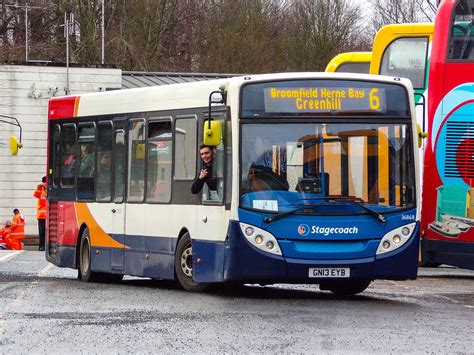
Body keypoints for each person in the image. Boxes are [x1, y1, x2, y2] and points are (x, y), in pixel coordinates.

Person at [33, 176, 47, 251]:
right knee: (41, 232)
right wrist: (39, 186)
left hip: (48, 216)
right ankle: (41, 246)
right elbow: (35, 195)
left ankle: (46, 246)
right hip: (41, 216)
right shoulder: (40, 189)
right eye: (44, 182)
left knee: (47, 232)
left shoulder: (49, 189)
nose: (45, 184)